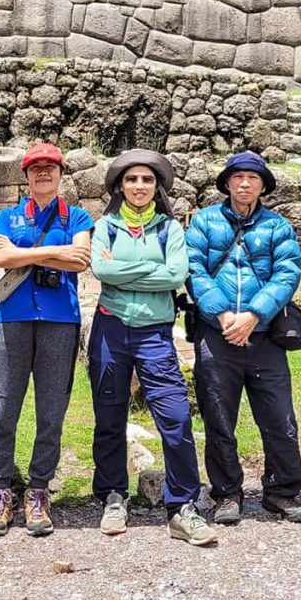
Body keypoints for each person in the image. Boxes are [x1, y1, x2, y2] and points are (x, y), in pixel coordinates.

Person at [89, 150, 216, 546]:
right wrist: (151, 272)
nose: (139, 186)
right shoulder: (105, 226)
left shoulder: (169, 230)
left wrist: (127, 273)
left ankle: (182, 506)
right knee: (109, 416)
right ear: (119, 186)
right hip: (111, 328)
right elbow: (101, 270)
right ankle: (113, 495)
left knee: (175, 417)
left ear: (156, 186)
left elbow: (176, 274)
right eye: (132, 180)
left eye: (146, 180)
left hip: (155, 333)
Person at [185, 151, 301, 525]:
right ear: (226, 182)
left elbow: (287, 273)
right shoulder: (204, 222)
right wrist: (224, 315)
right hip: (217, 333)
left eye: (253, 178)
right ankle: (226, 493)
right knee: (219, 418)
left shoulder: (277, 227)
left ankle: (281, 491)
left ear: (262, 185)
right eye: (237, 177)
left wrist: (254, 314)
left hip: (265, 335)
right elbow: (194, 270)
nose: (244, 184)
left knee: (279, 418)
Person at [0, 143, 93, 537]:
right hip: (12, 320)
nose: (42, 173)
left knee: (51, 411)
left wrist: (24, 253)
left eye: (50, 168)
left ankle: (39, 489)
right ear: (25, 176)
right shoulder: (8, 216)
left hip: (60, 321)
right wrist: (55, 251)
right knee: (4, 406)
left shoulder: (77, 215)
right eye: (35, 168)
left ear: (61, 174)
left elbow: (81, 260)